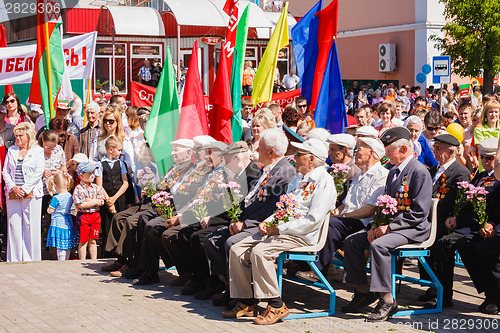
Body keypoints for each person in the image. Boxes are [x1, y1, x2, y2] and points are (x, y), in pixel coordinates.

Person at [223, 138, 335, 325]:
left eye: (299, 155)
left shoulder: (324, 181)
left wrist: (278, 228)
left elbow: (312, 220)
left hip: (302, 236)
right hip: (283, 231)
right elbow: (282, 209)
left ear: (312, 159)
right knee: (237, 249)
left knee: (261, 252)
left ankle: (276, 304)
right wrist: (267, 223)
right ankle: (248, 301)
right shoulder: (298, 180)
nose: (294, 158)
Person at [342, 127, 432, 321]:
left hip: (412, 228)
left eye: (389, 150)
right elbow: (386, 206)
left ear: (404, 150)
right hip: (394, 226)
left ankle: (387, 299)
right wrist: (376, 226)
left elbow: (419, 212)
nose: (386, 154)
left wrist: (389, 227)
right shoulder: (393, 172)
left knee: (378, 245)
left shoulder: (419, 171)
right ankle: (362, 290)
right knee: (352, 241)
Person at [204, 133, 296, 307]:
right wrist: (236, 219)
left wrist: (246, 224)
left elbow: (274, 208)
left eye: (259, 148)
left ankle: (245, 296)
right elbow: (250, 199)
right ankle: (231, 288)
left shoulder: (285, 173)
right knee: (212, 240)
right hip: (248, 222)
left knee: (232, 243)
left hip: (262, 226)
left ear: (271, 151)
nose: (255, 151)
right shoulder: (266, 169)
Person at [296, 137, 388, 282]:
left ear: (371, 153)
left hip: (363, 223)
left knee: (330, 224)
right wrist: (334, 212)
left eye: (359, 149)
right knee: (319, 217)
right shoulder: (360, 175)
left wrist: (342, 217)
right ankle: (298, 264)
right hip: (349, 219)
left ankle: (319, 271)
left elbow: (370, 210)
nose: (355, 153)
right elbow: (345, 204)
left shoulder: (381, 175)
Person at [417, 133, 471, 308]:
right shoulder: (433, 170)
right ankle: (431, 287)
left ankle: (444, 294)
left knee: (440, 246)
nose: (434, 151)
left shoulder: (460, 172)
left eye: (438, 148)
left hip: (445, 221)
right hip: (428, 219)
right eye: (434, 147)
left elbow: (455, 201)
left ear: (451, 152)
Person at [3, 123, 44, 262]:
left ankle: (32, 258)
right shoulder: (12, 150)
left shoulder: (37, 151)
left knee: (30, 225)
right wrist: (13, 187)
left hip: (32, 193)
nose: (17, 139)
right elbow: (6, 171)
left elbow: (38, 172)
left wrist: (25, 189)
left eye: (20, 136)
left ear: (28, 136)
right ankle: (14, 258)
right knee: (13, 224)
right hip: (13, 192)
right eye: (16, 136)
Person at [95, 136, 129, 254]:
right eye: (119, 150)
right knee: (107, 227)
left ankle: (120, 253)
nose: (120, 152)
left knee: (120, 226)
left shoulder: (121, 164)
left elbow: (125, 183)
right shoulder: (100, 164)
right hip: (106, 198)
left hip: (119, 199)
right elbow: (99, 185)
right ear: (110, 149)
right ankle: (106, 254)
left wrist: (114, 198)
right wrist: (108, 200)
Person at [73, 162, 106, 260]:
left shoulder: (96, 187)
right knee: (83, 241)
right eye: (89, 173)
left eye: (93, 172)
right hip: (84, 216)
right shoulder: (79, 188)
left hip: (95, 216)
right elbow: (81, 205)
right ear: (81, 175)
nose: (93, 175)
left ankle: (94, 260)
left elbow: (101, 202)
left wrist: (90, 201)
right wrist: (95, 202)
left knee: (93, 240)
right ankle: (82, 261)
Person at [89, 105, 133, 172]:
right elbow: (92, 159)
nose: (107, 123)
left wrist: (116, 166)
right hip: (101, 175)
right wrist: (101, 166)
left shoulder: (124, 139)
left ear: (117, 122)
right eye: (105, 121)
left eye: (111, 121)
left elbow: (129, 161)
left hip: (120, 175)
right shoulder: (98, 139)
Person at [46, 171, 76, 261]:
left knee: (59, 245)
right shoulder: (70, 196)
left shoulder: (56, 198)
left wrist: (48, 209)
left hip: (58, 223)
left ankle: (61, 261)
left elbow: (50, 210)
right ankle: (66, 260)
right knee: (67, 244)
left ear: (55, 185)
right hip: (68, 222)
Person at [474, 100, 500, 171]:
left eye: (496, 112)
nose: (494, 114)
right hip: (486, 167)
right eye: (491, 112)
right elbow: (483, 148)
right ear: (486, 114)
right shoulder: (479, 130)